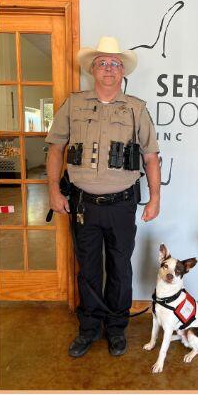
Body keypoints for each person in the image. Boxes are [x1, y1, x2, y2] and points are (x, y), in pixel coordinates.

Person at [44, 36, 161, 358]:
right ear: (93, 69)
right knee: (89, 269)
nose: (108, 68)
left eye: (115, 63)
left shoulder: (137, 109)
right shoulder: (74, 105)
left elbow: (151, 157)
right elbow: (55, 149)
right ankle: (89, 328)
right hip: (83, 204)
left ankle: (116, 328)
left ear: (123, 72)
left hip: (122, 204)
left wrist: (154, 199)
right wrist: (54, 191)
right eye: (102, 63)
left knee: (120, 268)